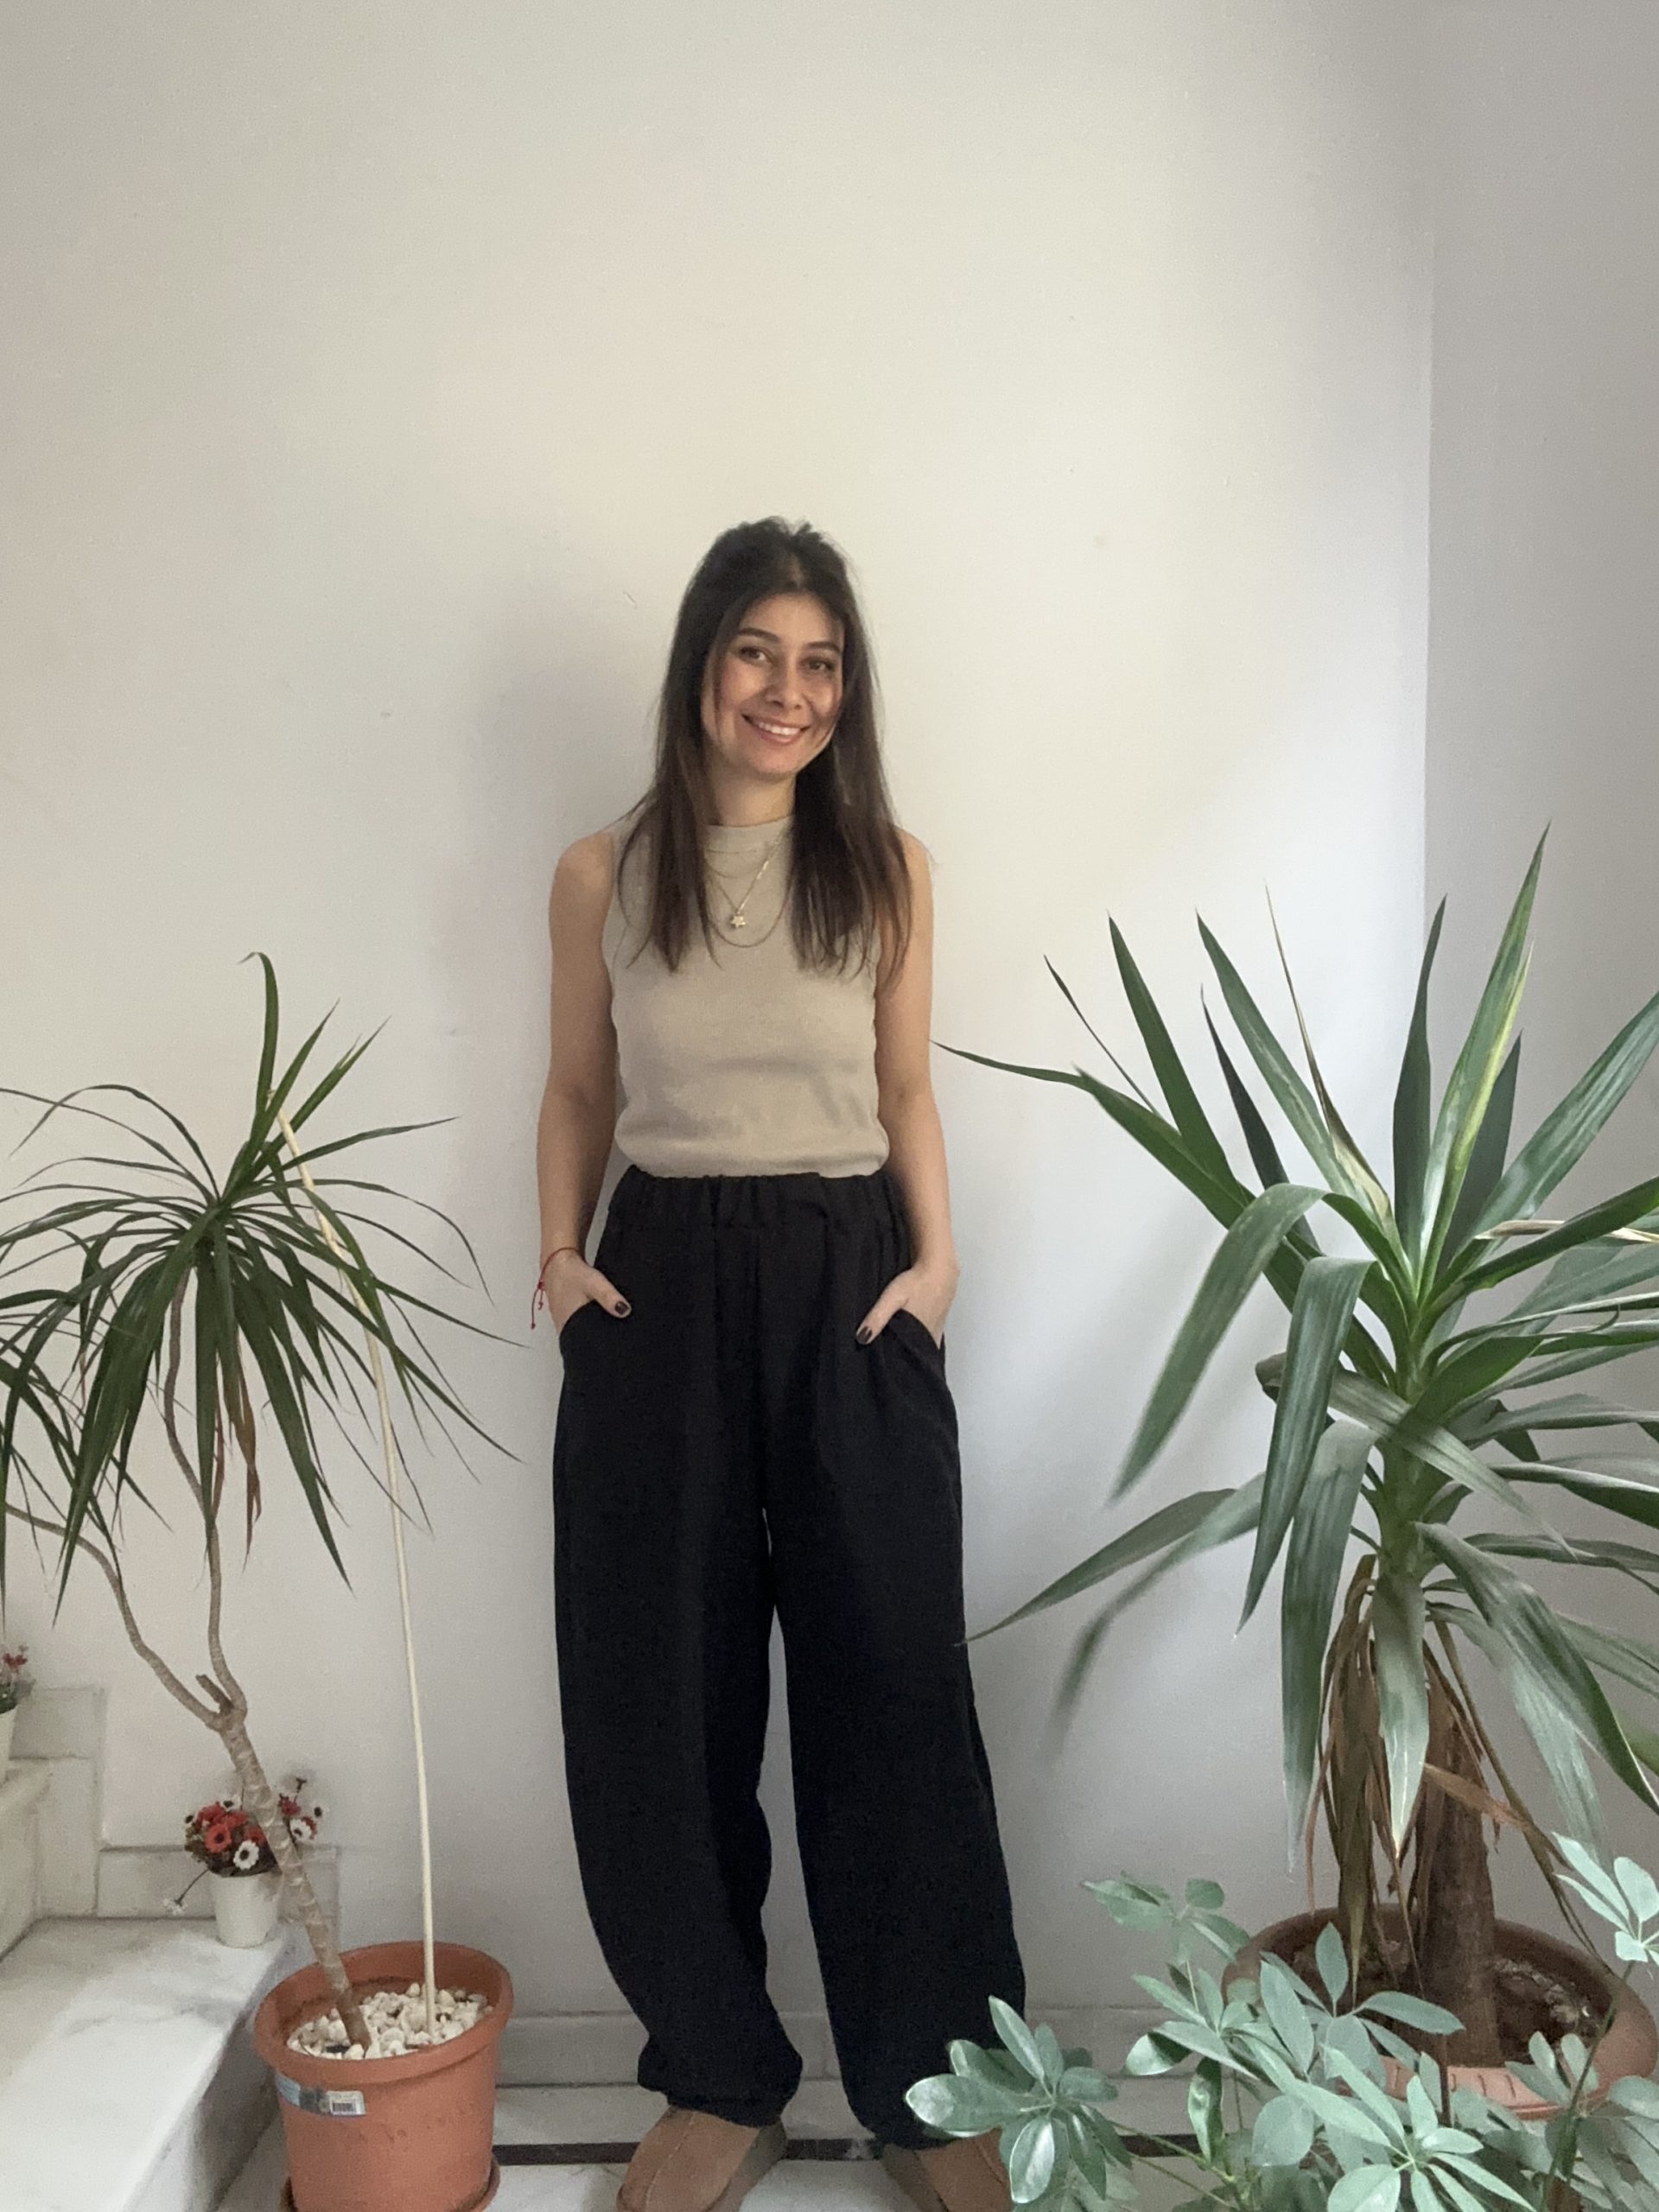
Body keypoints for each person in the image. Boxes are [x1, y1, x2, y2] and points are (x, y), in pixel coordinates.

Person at [537, 518, 1027, 2212]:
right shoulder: (605, 873)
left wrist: (936, 1267)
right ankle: (718, 2075)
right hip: (659, 1282)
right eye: (759, 650)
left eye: (821, 663)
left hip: (851, 1274)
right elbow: (579, 1089)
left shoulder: (884, 866)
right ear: (703, 660)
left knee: (894, 1684)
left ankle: (931, 2087)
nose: (789, 690)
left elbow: (904, 1090)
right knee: (657, 1691)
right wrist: (561, 1258)